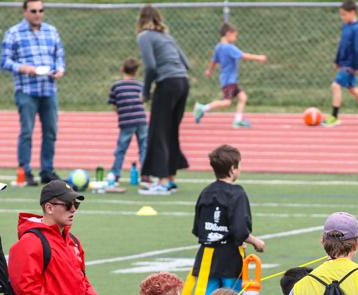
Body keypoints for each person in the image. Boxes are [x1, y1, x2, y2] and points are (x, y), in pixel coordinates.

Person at [181, 144, 265, 295]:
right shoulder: (237, 193)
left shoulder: (205, 192)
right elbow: (240, 230)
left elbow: (198, 228)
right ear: (233, 169)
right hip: (230, 259)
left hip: (207, 258)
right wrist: (255, 242)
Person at [0, 0, 63, 186]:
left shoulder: (51, 31)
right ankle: (25, 171)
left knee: (51, 131)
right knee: (27, 132)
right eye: (34, 11)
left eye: (41, 10)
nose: (38, 14)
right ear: (25, 12)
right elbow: (4, 61)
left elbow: (59, 56)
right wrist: (24, 68)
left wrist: (60, 70)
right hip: (26, 90)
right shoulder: (13, 33)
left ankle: (47, 171)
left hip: (48, 89)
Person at [136, 4, 190, 195]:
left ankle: (162, 181)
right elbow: (186, 63)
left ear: (141, 20)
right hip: (183, 82)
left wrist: (145, 92)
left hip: (167, 84)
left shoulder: (144, 36)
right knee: (170, 131)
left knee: (158, 132)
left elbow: (150, 66)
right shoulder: (167, 37)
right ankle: (171, 179)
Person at [195, 23, 267, 128]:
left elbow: (214, 60)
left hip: (230, 80)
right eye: (235, 36)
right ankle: (202, 108)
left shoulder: (218, 47)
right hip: (229, 81)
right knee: (227, 102)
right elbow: (244, 56)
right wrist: (259, 57)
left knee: (242, 97)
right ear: (228, 34)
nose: (236, 39)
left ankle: (237, 121)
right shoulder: (229, 48)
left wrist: (209, 70)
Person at [107, 57, 148, 185]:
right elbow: (144, 101)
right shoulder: (140, 85)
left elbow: (114, 105)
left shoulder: (116, 86)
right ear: (136, 72)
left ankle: (115, 174)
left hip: (126, 121)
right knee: (144, 147)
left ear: (122, 69)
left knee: (121, 148)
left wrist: (121, 113)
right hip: (141, 119)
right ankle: (145, 174)